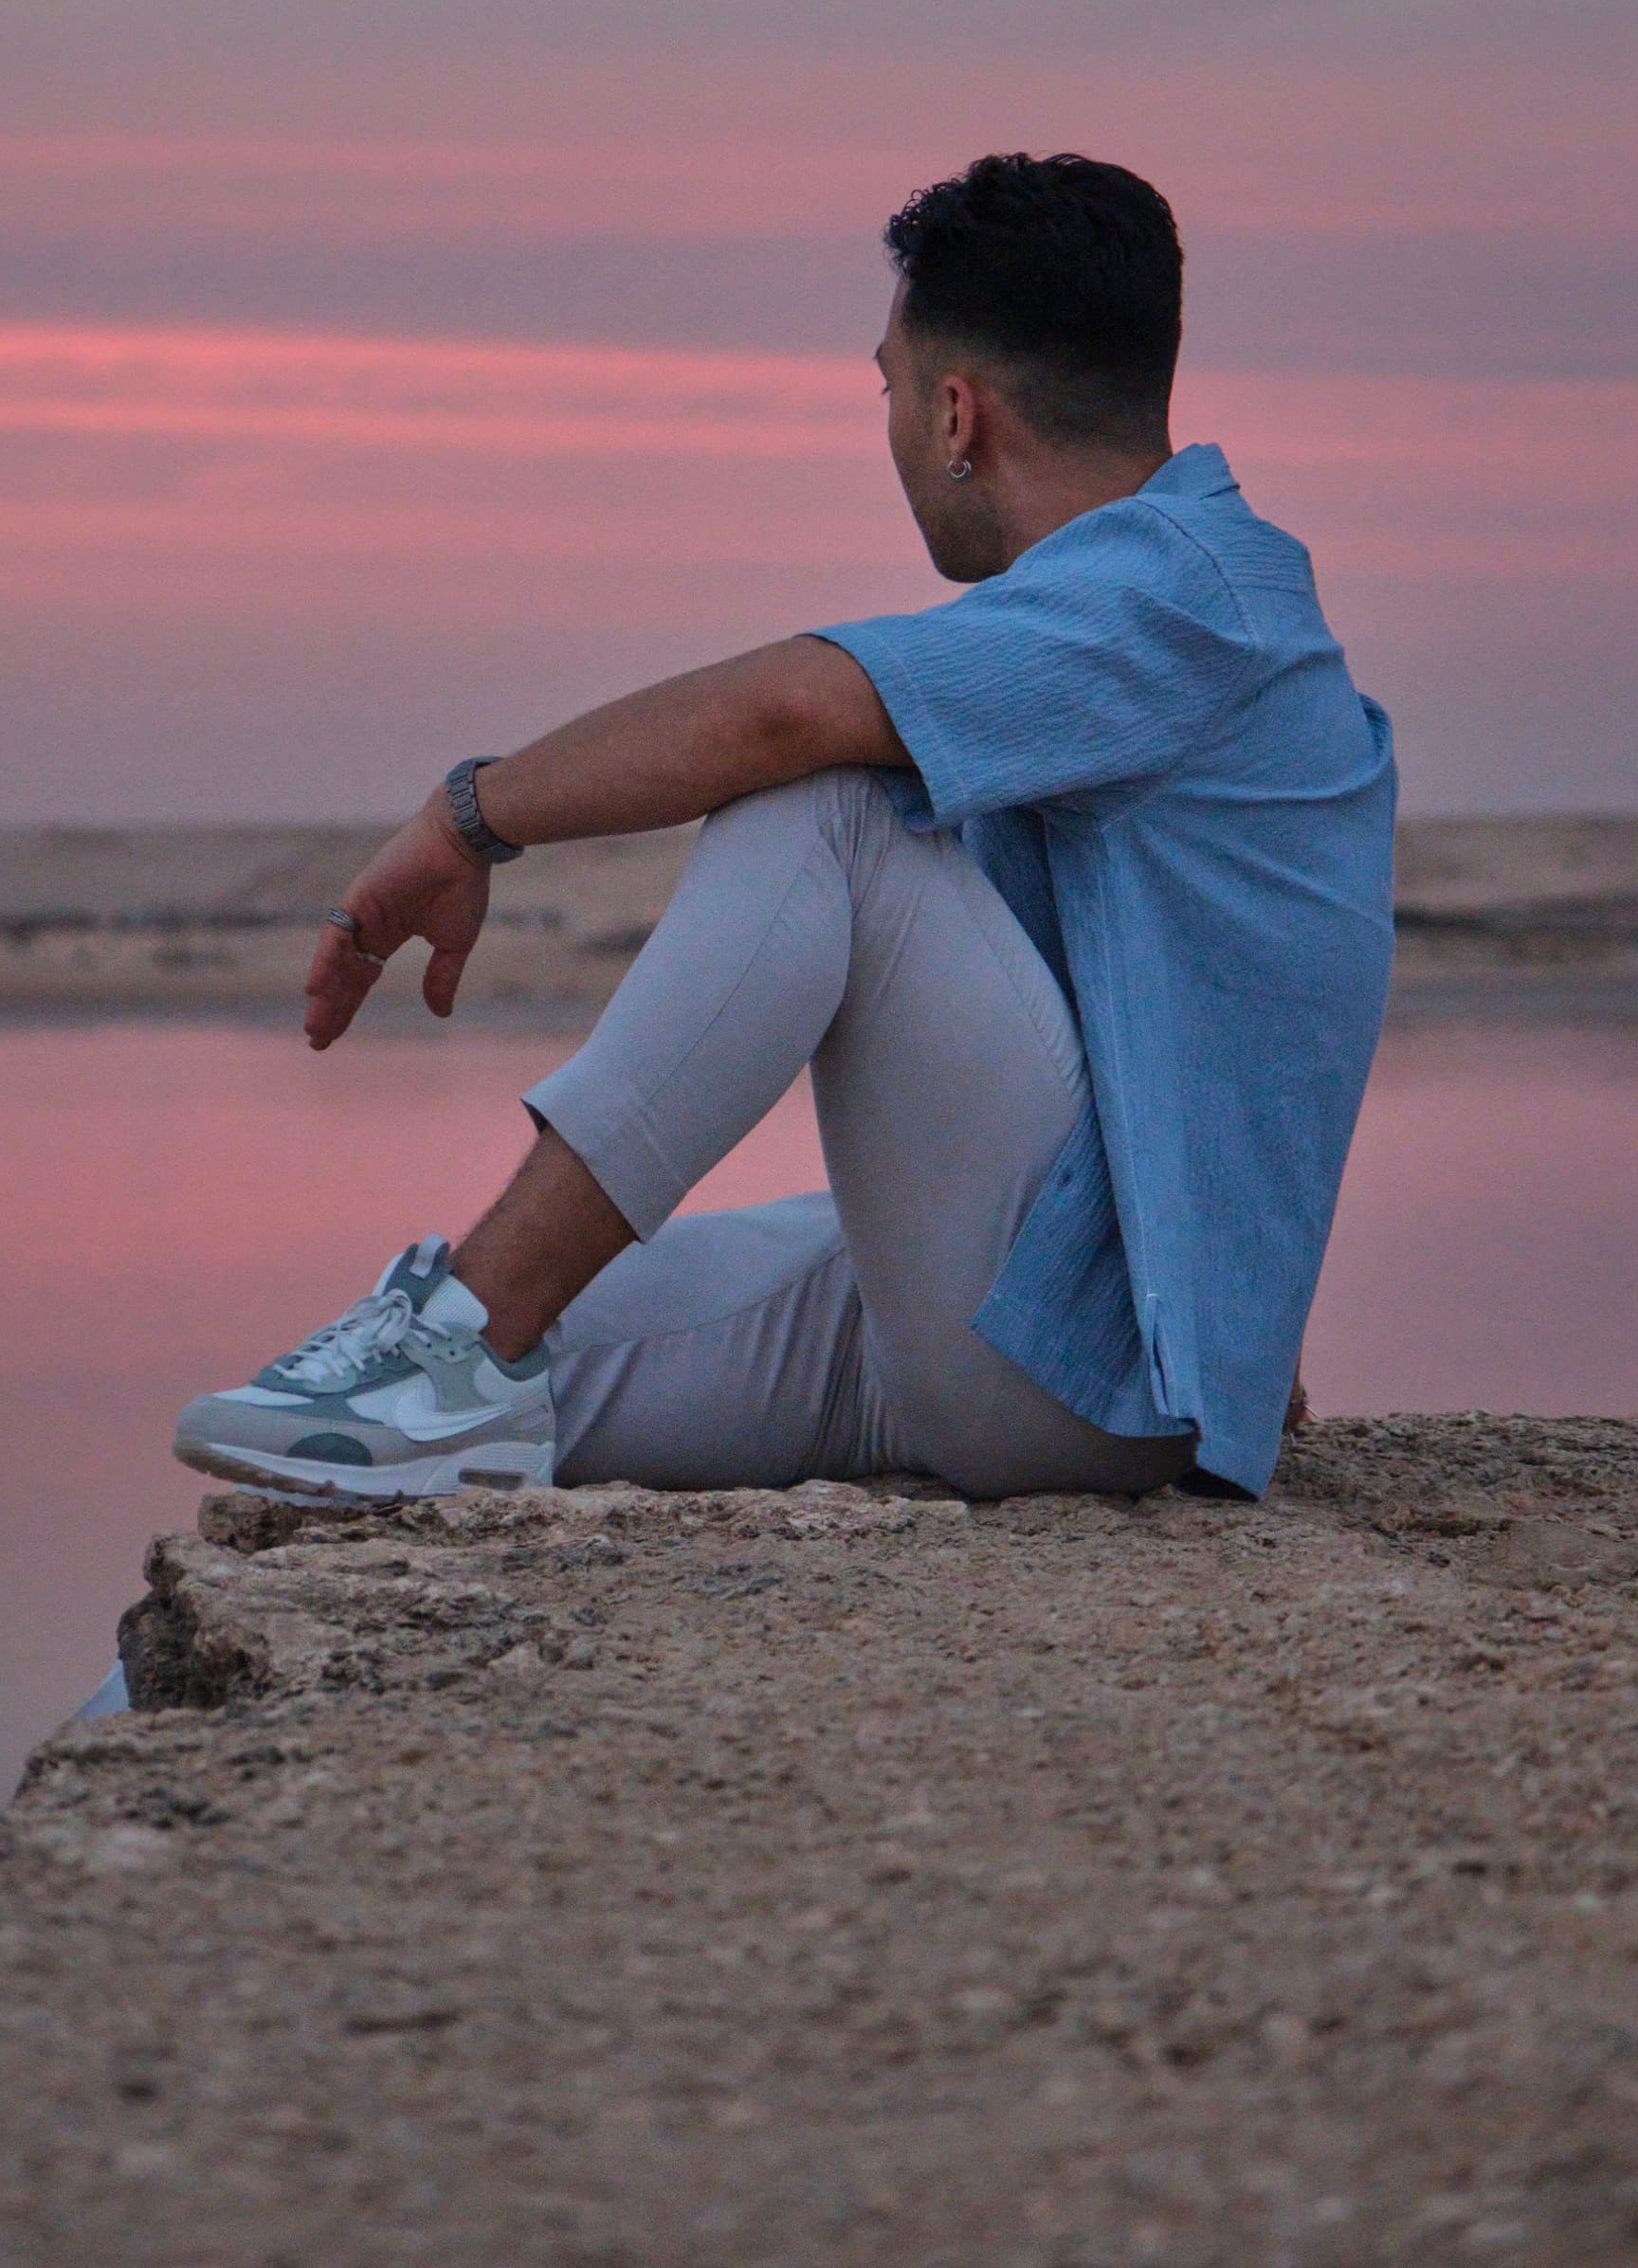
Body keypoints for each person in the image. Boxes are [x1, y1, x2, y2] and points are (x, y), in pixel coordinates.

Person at [174, 153, 1394, 1509]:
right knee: (402, 1438)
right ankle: (455, 1369)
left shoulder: (1180, 595)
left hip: (1078, 1379)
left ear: (953, 414)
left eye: (887, 387)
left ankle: (468, 1329)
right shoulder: (1156, 617)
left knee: (830, 803)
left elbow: (778, 719)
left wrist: (469, 820)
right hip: (1021, 1325)